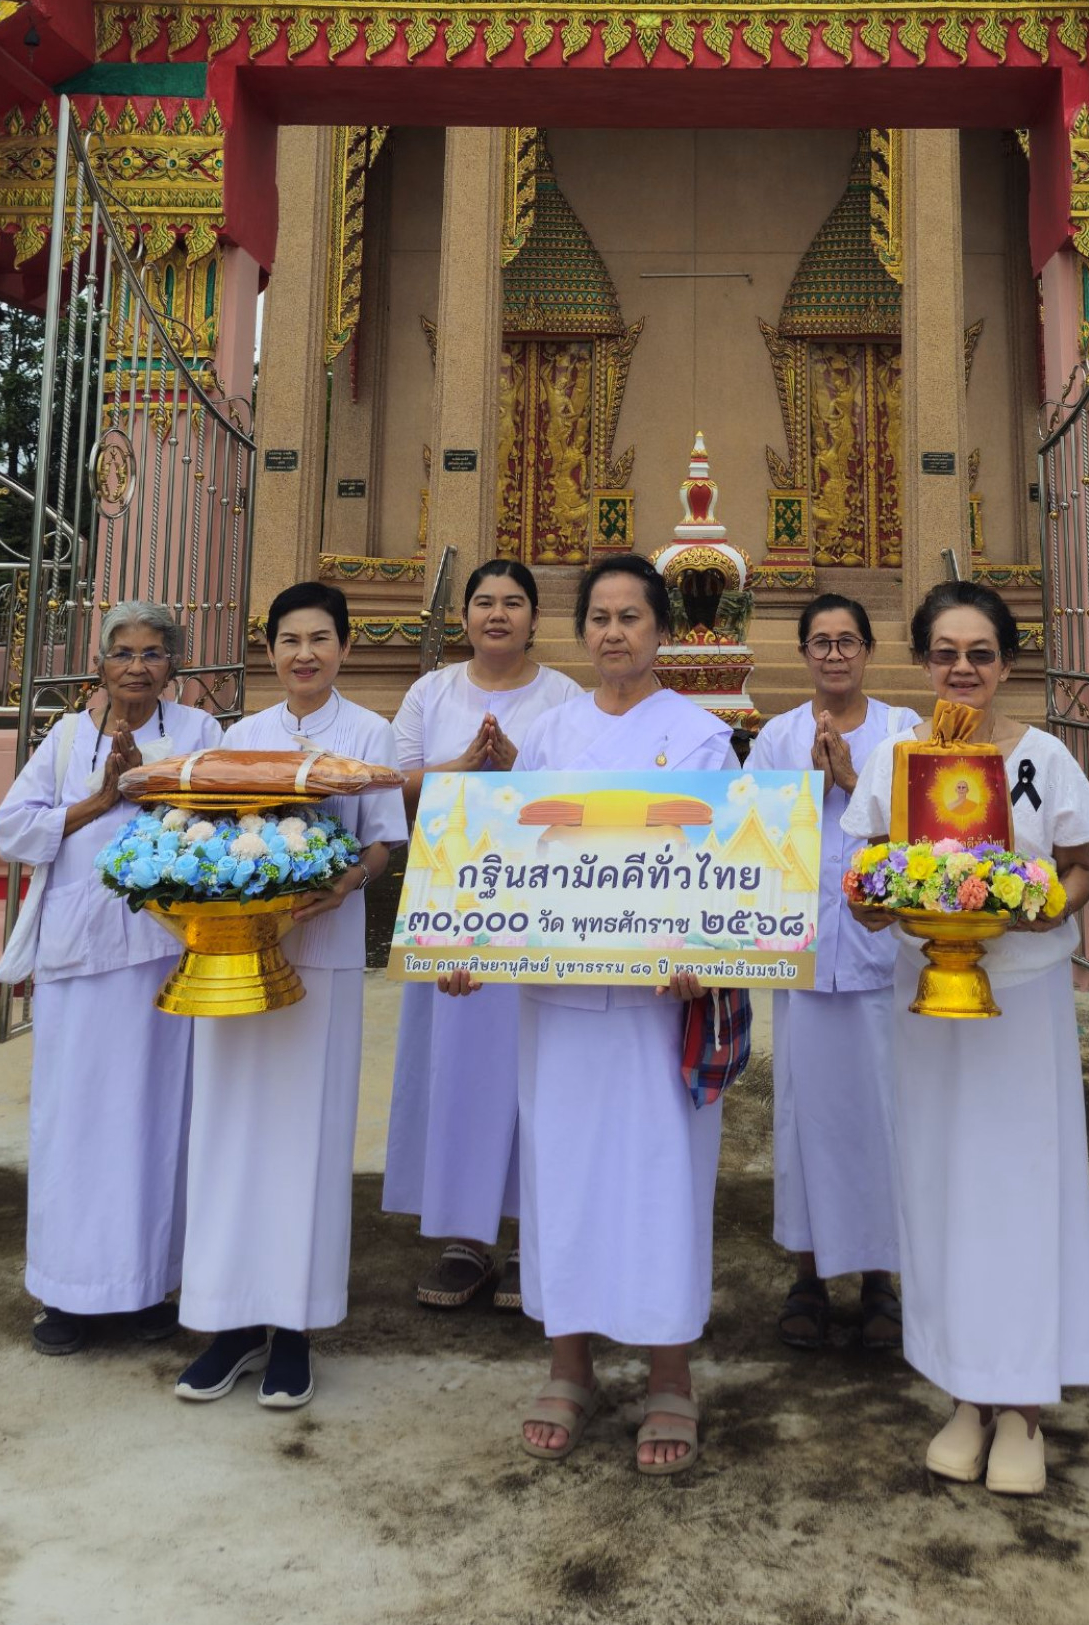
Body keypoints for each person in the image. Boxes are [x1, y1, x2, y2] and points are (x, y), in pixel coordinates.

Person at [841, 579, 1089, 1495]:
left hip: (1022, 1005)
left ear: (1007, 663)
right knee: (943, 1186)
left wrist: (1039, 910)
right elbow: (868, 874)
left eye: (981, 654)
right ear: (923, 662)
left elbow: (1079, 870)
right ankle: (963, 1390)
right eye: (946, 654)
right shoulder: (894, 760)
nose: (963, 670)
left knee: (1022, 1193)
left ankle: (1024, 1403)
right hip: (926, 1004)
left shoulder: (1045, 759)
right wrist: (877, 908)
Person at [495, 552, 735, 1471]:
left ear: (662, 631)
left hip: (653, 1003)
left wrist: (705, 959)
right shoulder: (550, 736)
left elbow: (724, 872)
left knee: (659, 1174)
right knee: (562, 1173)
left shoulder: (702, 735)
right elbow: (508, 860)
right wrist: (469, 945)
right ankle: (570, 1362)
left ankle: (670, 1373)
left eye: (631, 617)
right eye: (598, 617)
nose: (613, 633)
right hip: (559, 1001)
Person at [174, 582, 405, 1413]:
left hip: (326, 957)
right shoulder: (243, 737)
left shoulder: (369, 733)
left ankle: (296, 1329)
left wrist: (348, 881)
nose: (303, 653)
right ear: (270, 650)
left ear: (343, 645)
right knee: (230, 1133)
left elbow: (383, 842)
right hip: (238, 957)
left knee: (308, 1141)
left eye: (319, 638)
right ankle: (228, 1323)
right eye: (288, 640)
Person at [0, 603, 221, 1354]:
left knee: (155, 1120)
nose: (136, 666)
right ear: (99, 665)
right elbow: (11, 829)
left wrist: (154, 792)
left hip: (163, 956)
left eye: (153, 653)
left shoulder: (199, 734)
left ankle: (150, 1286)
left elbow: (221, 825)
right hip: (80, 958)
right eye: (122, 652)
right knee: (75, 1125)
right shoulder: (64, 739)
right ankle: (69, 1296)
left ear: (173, 667)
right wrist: (99, 800)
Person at [381, 559, 580, 1312]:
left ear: (535, 617)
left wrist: (520, 770)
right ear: (464, 616)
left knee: (536, 1062)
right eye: (485, 602)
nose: (498, 614)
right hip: (452, 894)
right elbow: (395, 782)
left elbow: (578, 792)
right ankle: (468, 1237)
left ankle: (536, 1231)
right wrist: (463, 769)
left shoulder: (563, 695)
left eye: (514, 603)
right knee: (459, 1062)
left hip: (537, 895)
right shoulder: (430, 692)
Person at [750, 593, 916, 1353]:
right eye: (820, 642)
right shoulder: (778, 736)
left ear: (869, 651)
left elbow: (922, 837)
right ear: (804, 653)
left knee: (883, 1118)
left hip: (883, 962)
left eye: (849, 640)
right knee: (805, 1116)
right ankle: (810, 1272)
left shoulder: (902, 733)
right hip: (806, 957)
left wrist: (849, 781)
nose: (835, 654)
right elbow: (749, 839)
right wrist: (805, 788)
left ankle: (881, 1276)